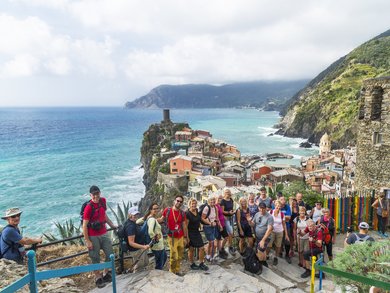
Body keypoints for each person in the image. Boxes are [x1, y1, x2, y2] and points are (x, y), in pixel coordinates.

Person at [83, 186, 117, 288]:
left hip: (104, 232)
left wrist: (112, 226)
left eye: (97, 193)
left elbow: (104, 215)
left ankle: (106, 273)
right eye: (94, 194)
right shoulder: (88, 207)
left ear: (100, 193)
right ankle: (98, 277)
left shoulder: (103, 201)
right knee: (95, 257)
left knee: (110, 253)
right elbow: (84, 225)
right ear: (90, 195)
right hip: (93, 236)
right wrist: (87, 240)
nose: (96, 196)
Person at [161, 195, 188, 275]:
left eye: (180, 202)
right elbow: (161, 219)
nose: (179, 202)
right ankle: (172, 271)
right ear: (174, 201)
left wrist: (186, 237)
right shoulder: (167, 210)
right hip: (172, 237)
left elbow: (184, 225)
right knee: (174, 256)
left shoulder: (182, 213)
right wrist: (151, 219)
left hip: (181, 236)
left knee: (179, 256)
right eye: (177, 200)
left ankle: (177, 270)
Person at [123, 206, 150, 273]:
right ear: (130, 215)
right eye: (134, 214)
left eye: (137, 214)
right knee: (139, 267)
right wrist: (143, 247)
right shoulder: (130, 226)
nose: (136, 216)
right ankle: (137, 281)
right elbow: (131, 242)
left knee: (145, 263)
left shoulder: (132, 222)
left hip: (139, 248)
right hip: (136, 250)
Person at [185, 198, 209, 270]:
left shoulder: (197, 211)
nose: (194, 205)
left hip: (196, 232)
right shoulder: (187, 213)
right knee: (191, 249)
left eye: (195, 203)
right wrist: (187, 237)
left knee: (201, 248)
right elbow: (185, 226)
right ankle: (192, 263)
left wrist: (207, 223)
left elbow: (199, 219)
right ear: (189, 205)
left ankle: (201, 263)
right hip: (190, 233)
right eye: (192, 204)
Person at [249, 202, 274, 268]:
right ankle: (264, 262)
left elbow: (269, 230)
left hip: (265, 237)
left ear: (266, 208)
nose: (262, 210)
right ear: (258, 208)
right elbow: (253, 224)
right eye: (260, 208)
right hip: (257, 237)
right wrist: (249, 221)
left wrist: (263, 240)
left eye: (263, 208)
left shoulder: (269, 217)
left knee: (260, 250)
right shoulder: (257, 214)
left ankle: (261, 263)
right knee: (262, 250)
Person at [144, 203, 166, 270]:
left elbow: (138, 222)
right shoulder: (152, 219)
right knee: (160, 262)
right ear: (150, 210)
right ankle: (158, 275)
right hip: (157, 245)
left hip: (158, 245)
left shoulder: (150, 218)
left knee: (162, 258)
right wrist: (156, 239)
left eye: (157, 208)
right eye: (154, 209)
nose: (156, 210)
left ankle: (158, 273)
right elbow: (150, 231)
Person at [268, 200, 289, 266]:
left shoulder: (282, 214)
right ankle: (267, 255)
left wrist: (286, 234)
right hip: (271, 231)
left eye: (279, 206)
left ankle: (275, 257)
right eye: (277, 205)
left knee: (278, 246)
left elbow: (284, 224)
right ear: (275, 205)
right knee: (269, 244)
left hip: (279, 231)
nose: (278, 207)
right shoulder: (270, 212)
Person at [201, 195, 220, 262]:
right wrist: (210, 223)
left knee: (211, 243)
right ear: (208, 201)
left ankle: (209, 256)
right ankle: (210, 256)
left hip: (214, 226)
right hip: (207, 227)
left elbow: (217, 218)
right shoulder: (206, 208)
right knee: (213, 243)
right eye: (211, 200)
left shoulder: (215, 208)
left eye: (213, 200)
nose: (212, 201)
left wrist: (219, 224)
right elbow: (202, 218)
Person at [221, 188, 236, 255]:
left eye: (228, 192)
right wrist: (229, 212)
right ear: (224, 193)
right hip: (226, 218)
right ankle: (223, 248)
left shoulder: (231, 200)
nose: (227, 193)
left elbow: (231, 208)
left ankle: (230, 246)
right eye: (226, 192)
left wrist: (232, 212)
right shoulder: (223, 201)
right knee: (230, 232)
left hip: (231, 218)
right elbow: (222, 211)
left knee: (231, 234)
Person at [279, 197, 292, 263]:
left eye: (284, 199)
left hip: (287, 226)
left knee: (287, 240)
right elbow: (275, 215)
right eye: (281, 199)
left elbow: (289, 217)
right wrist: (284, 216)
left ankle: (287, 255)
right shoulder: (276, 205)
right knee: (279, 241)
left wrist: (281, 216)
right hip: (278, 226)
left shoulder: (287, 207)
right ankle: (279, 253)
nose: (283, 200)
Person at [215, 194, 229, 259]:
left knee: (226, 237)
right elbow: (216, 217)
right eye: (218, 198)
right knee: (218, 239)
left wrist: (223, 217)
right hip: (219, 225)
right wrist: (220, 225)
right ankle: (219, 252)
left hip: (223, 224)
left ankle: (221, 249)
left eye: (221, 198)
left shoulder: (219, 206)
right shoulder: (215, 206)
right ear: (216, 199)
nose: (220, 200)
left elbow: (220, 214)